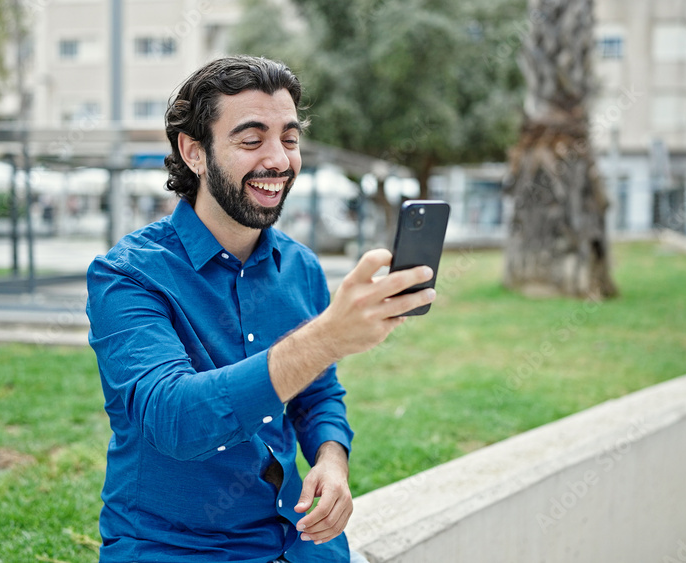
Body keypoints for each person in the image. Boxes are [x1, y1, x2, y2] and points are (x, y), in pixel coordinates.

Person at [86, 55, 435, 563]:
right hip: (176, 548)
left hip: (304, 544)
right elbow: (176, 420)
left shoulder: (301, 267)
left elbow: (317, 395)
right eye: (251, 140)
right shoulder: (127, 275)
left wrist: (332, 460)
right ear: (194, 152)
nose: (278, 160)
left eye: (289, 139)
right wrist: (327, 337)